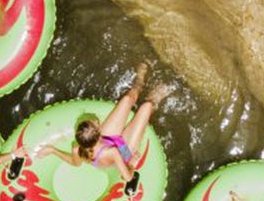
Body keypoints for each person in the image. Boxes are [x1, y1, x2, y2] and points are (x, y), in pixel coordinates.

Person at [38, 63, 171, 182]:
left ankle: (139, 80)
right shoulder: (112, 152)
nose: (96, 119)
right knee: (146, 106)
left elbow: (75, 163)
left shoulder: (77, 147)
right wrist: (131, 164)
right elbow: (128, 177)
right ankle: (157, 96)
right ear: (97, 132)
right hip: (123, 150)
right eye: (95, 122)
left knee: (127, 99)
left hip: (107, 139)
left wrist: (53, 150)